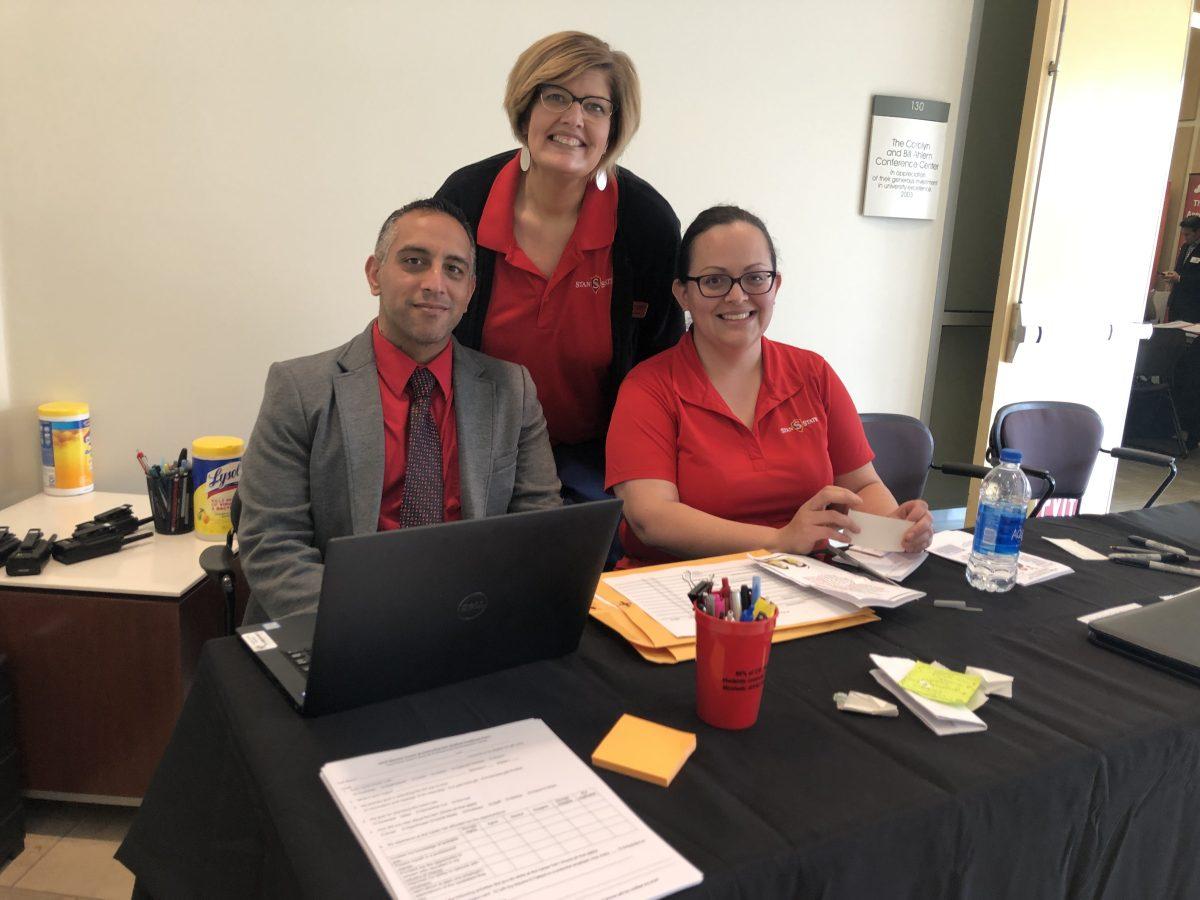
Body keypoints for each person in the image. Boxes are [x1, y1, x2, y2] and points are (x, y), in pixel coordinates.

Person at [238, 199, 561, 622]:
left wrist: (476, 615)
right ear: (374, 274)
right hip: (338, 623)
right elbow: (273, 545)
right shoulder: (298, 389)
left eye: (455, 270)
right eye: (414, 261)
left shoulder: (512, 391)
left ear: (469, 292)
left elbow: (538, 530)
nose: (435, 284)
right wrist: (375, 625)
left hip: (468, 620)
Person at [604, 206, 933, 568]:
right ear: (683, 294)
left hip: (811, 579)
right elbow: (651, 519)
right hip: (682, 589)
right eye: (714, 281)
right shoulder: (648, 388)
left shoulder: (813, 373)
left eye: (755, 278)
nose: (737, 296)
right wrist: (779, 540)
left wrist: (895, 526)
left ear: (775, 285)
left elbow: (861, 487)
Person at [435, 31, 682, 503]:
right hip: (474, 450)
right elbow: (428, 331)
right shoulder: (465, 199)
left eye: (595, 106)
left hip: (598, 461)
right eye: (556, 97)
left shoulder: (645, 223)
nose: (573, 118)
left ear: (614, 127)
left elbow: (661, 360)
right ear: (526, 108)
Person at [1164, 215, 1200, 323]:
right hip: (1176, 303)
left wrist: (1179, 278)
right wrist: (1172, 275)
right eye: (1183, 234)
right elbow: (1180, 270)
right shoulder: (1185, 246)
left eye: (1187, 234)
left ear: (1198, 232)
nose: (1185, 237)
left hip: (1193, 306)